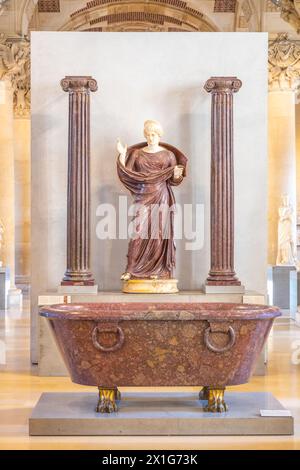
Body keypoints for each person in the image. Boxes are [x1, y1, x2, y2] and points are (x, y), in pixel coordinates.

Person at [117, 119, 187, 281]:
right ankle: (131, 269)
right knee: (138, 231)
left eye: (153, 134)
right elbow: (126, 173)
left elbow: (174, 181)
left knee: (158, 233)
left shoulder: (168, 155)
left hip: (161, 196)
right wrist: (122, 155)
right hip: (143, 195)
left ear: (159, 135)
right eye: (148, 135)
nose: (150, 138)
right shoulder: (137, 154)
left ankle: (159, 270)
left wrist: (176, 175)